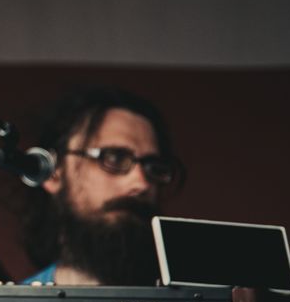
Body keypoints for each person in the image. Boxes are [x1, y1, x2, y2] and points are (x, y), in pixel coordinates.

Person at [21, 87, 183, 286]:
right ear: (53, 172)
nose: (141, 183)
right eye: (115, 158)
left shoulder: (198, 301)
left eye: (153, 167)